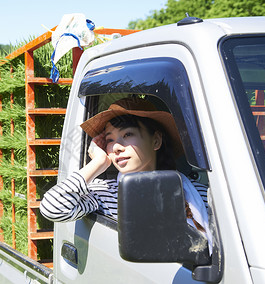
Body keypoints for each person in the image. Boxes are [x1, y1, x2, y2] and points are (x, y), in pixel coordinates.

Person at [40, 97, 210, 236]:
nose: (116, 147)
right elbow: (52, 208)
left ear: (156, 140)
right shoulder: (106, 194)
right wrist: (99, 163)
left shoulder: (198, 193)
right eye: (109, 140)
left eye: (127, 134)